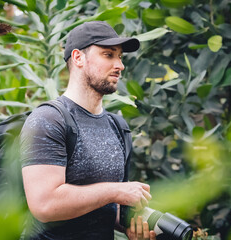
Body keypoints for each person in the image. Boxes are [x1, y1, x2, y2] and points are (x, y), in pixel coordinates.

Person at [20, 21, 156, 240]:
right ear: (78, 58)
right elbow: (44, 205)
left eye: (120, 56)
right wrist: (116, 191)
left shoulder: (117, 126)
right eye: (108, 55)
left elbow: (107, 209)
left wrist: (133, 224)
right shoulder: (49, 119)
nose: (119, 65)